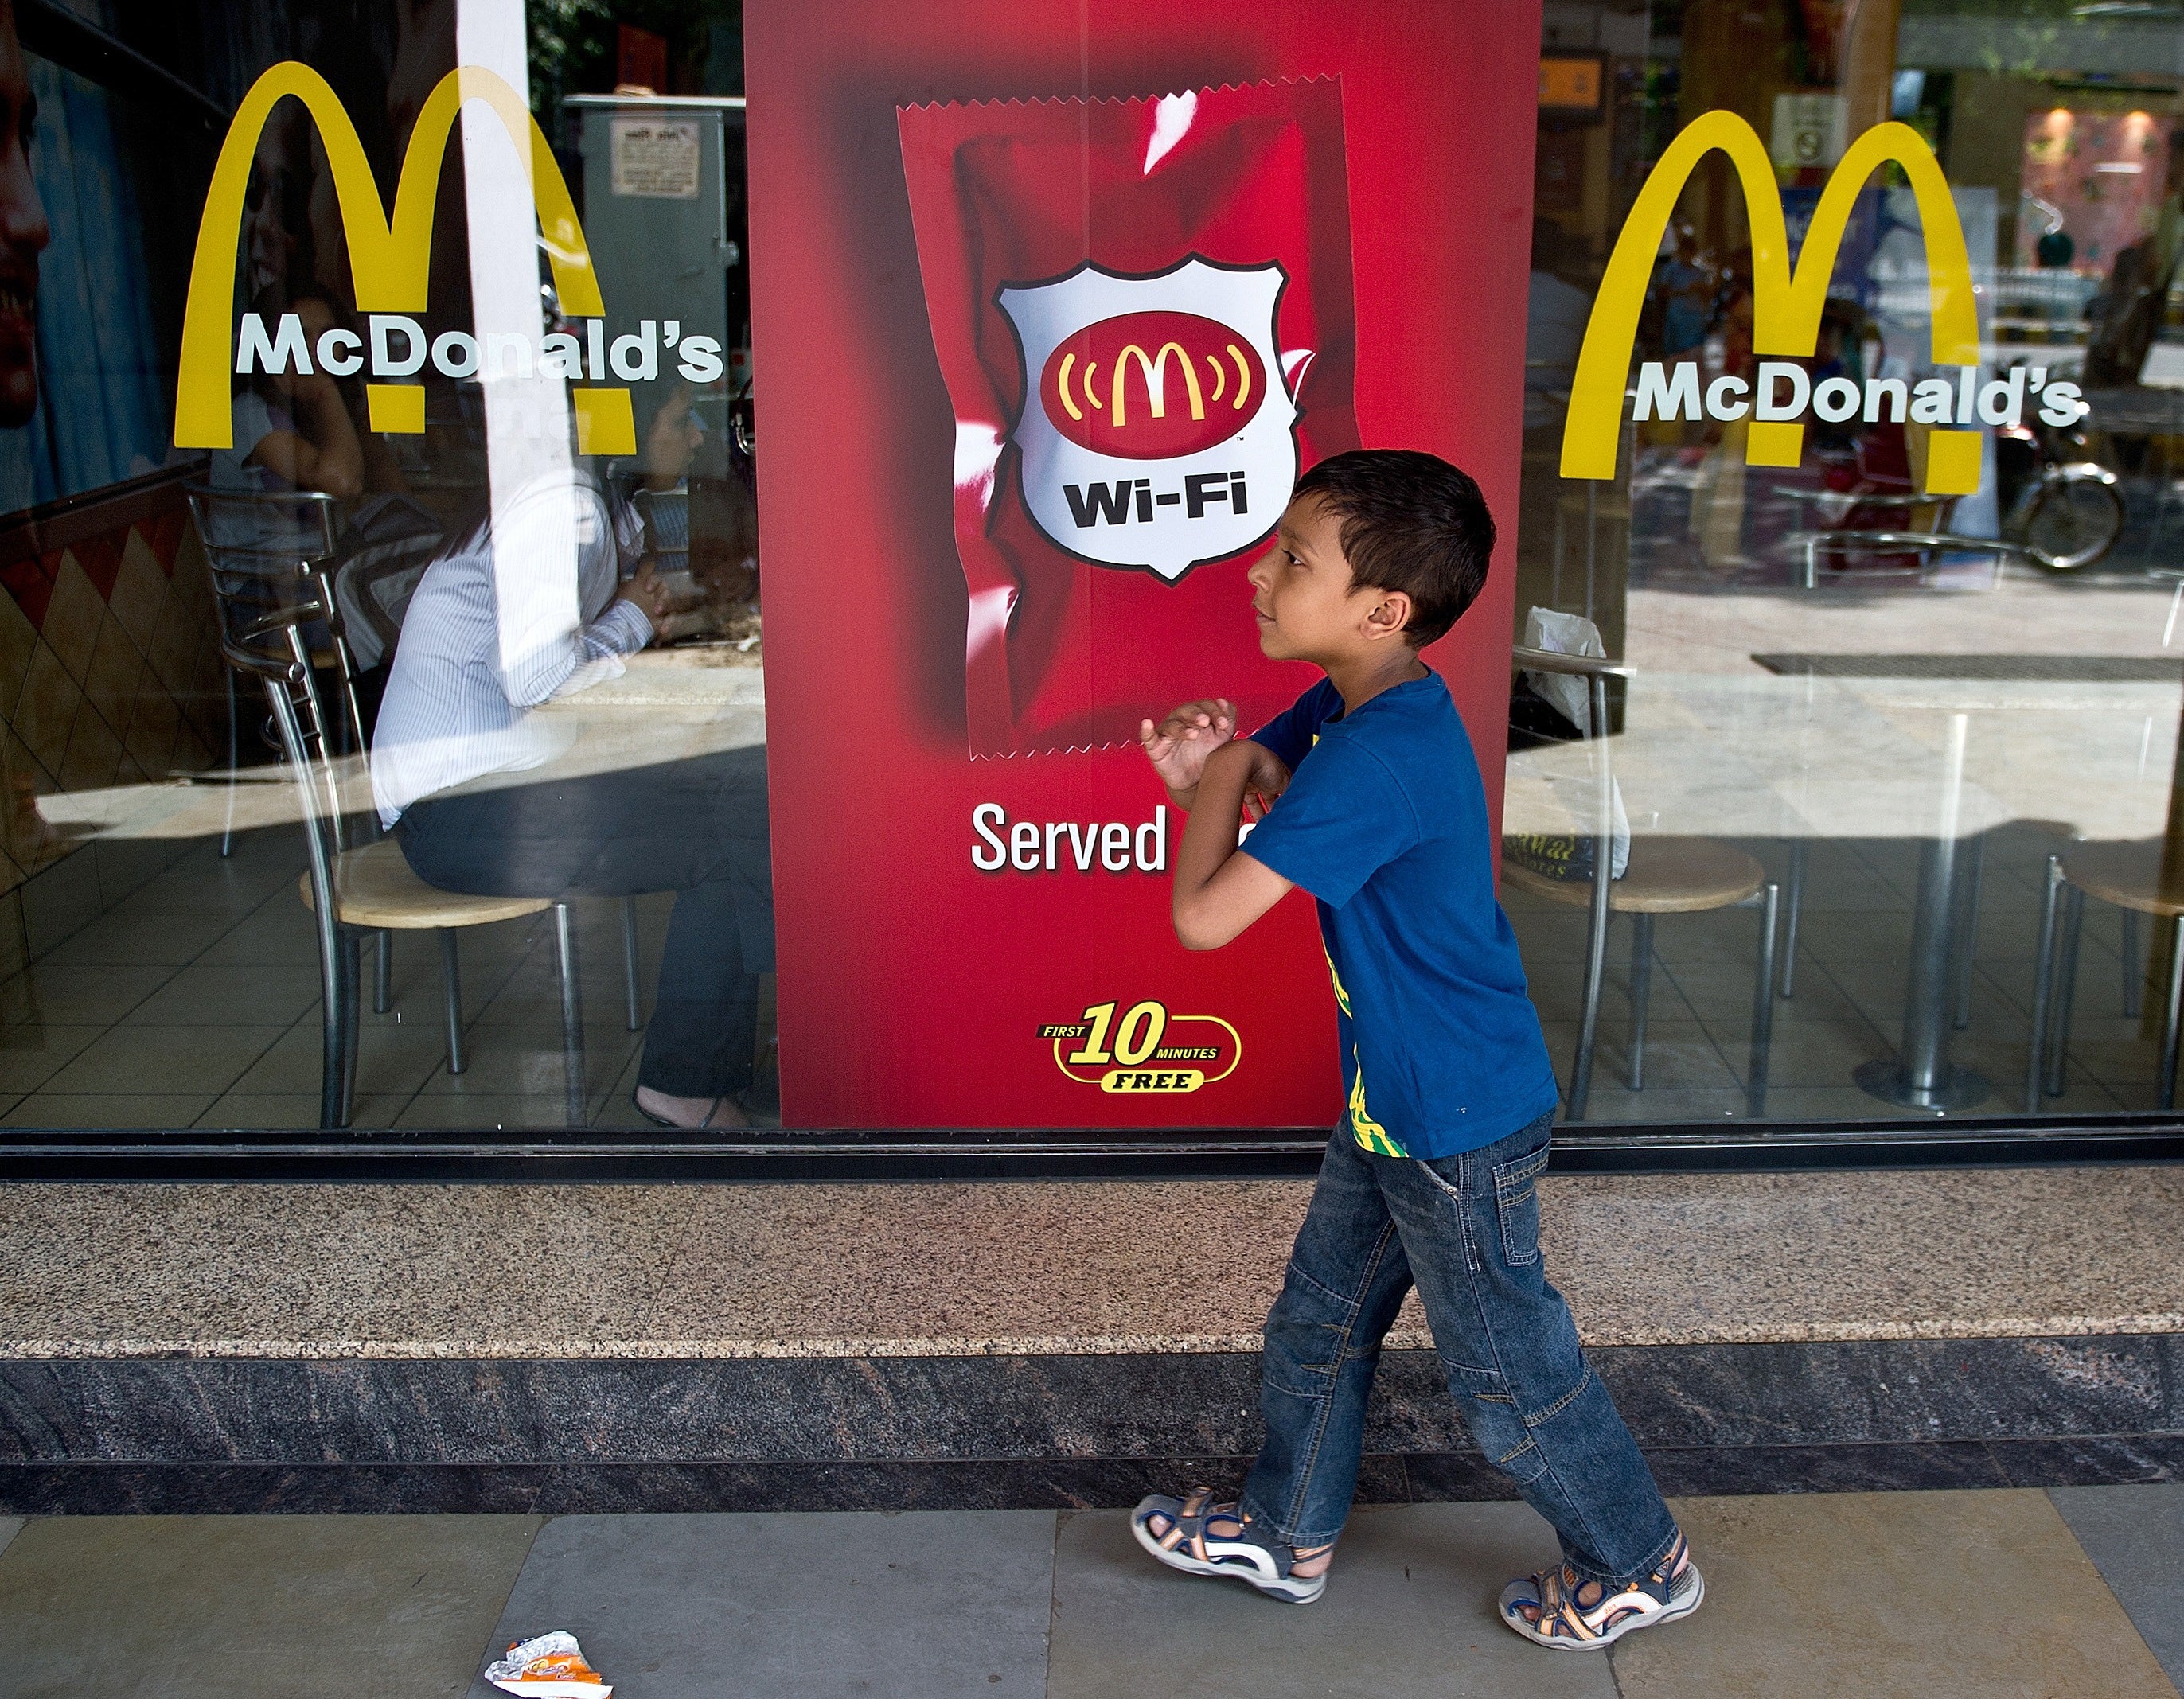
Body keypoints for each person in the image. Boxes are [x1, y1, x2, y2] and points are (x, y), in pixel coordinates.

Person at [1126, 450, 1702, 1651]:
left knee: (1507, 1374)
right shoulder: (1361, 703)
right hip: (1399, 1100)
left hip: (1451, 1122)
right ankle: (1286, 1532)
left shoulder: (1379, 747)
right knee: (1319, 1322)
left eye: (1294, 559)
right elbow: (1274, 770)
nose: (1261, 571)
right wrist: (1229, 771)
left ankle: (1639, 1558)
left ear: (1384, 610)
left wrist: (1208, 784)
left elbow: (1204, 914)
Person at [370, 459, 774, 1129]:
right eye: (682, 414)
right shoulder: (566, 508)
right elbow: (540, 681)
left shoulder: (573, 500)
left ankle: (720, 1067)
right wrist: (633, 619)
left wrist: (635, 614)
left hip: (487, 795)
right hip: (458, 813)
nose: (699, 434)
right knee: (724, 834)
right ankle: (687, 1086)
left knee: (732, 801)